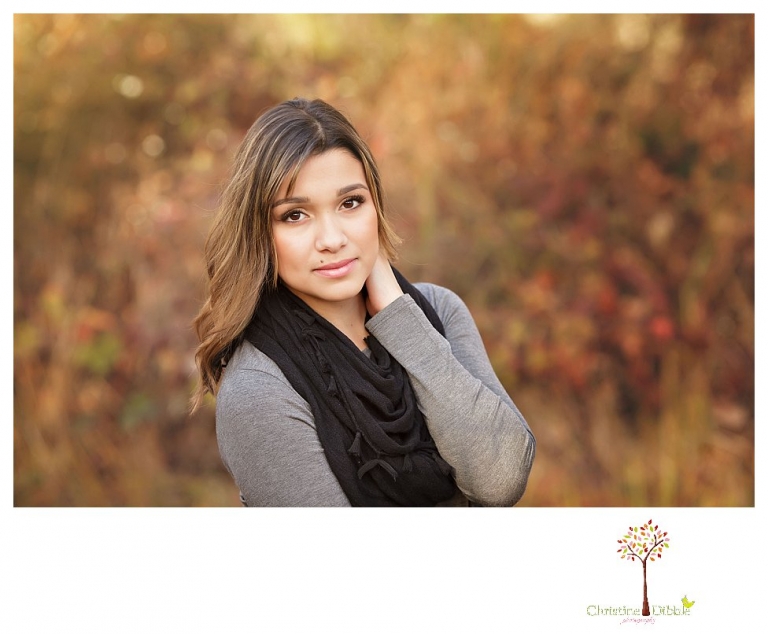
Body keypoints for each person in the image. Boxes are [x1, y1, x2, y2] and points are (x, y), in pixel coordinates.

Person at [192, 97, 535, 506]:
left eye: (350, 203)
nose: (333, 239)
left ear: (375, 206)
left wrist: (397, 314)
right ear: (259, 233)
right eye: (295, 215)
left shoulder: (439, 312)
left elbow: (501, 479)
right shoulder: (259, 389)